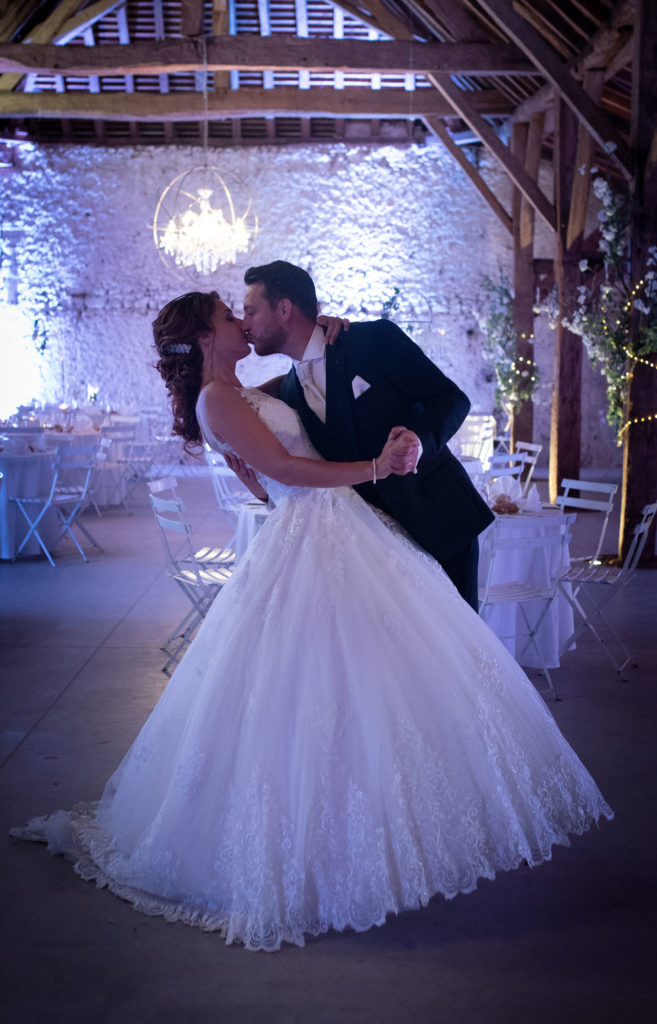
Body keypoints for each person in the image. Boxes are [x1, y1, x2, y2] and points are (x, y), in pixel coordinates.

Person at [11, 290, 612, 954]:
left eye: (245, 309)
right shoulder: (217, 402)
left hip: (336, 529)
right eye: (226, 316)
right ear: (206, 340)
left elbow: (291, 421)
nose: (240, 322)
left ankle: (388, 823)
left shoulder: (247, 390)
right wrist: (374, 468)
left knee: (379, 675)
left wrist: (327, 342)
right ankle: (323, 847)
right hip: (314, 532)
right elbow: (282, 468)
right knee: (312, 685)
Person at [241, 260, 494, 611]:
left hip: (437, 523)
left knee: (456, 653)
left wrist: (418, 443)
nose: (244, 324)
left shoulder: (372, 340)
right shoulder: (289, 389)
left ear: (284, 309)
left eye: (250, 311)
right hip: (375, 551)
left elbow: (452, 398)